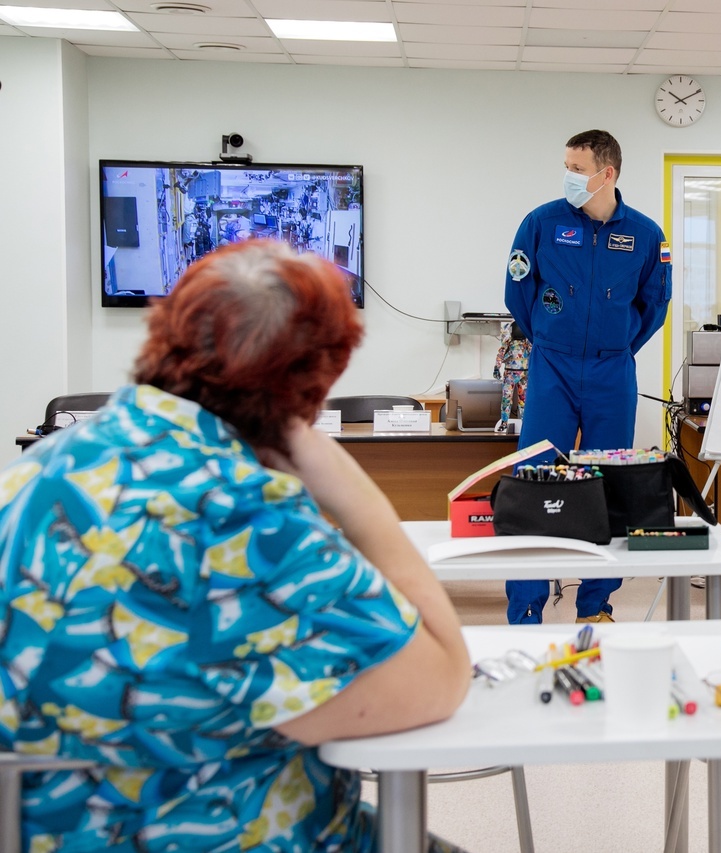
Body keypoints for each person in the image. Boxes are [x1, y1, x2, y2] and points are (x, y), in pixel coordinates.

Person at [0, 240, 471, 852]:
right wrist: (357, 496)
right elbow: (440, 676)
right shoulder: (244, 515)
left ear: (163, 332)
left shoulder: (34, 472)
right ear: (317, 380)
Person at [502, 129, 671, 624]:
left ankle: (595, 604)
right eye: (568, 167)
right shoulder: (541, 223)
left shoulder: (645, 234)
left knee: (610, 480)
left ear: (607, 173)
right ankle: (525, 606)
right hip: (552, 363)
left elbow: (653, 305)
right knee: (534, 478)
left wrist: (615, 347)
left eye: (577, 169)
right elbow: (518, 293)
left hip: (611, 369)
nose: (569, 177)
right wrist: (553, 340)